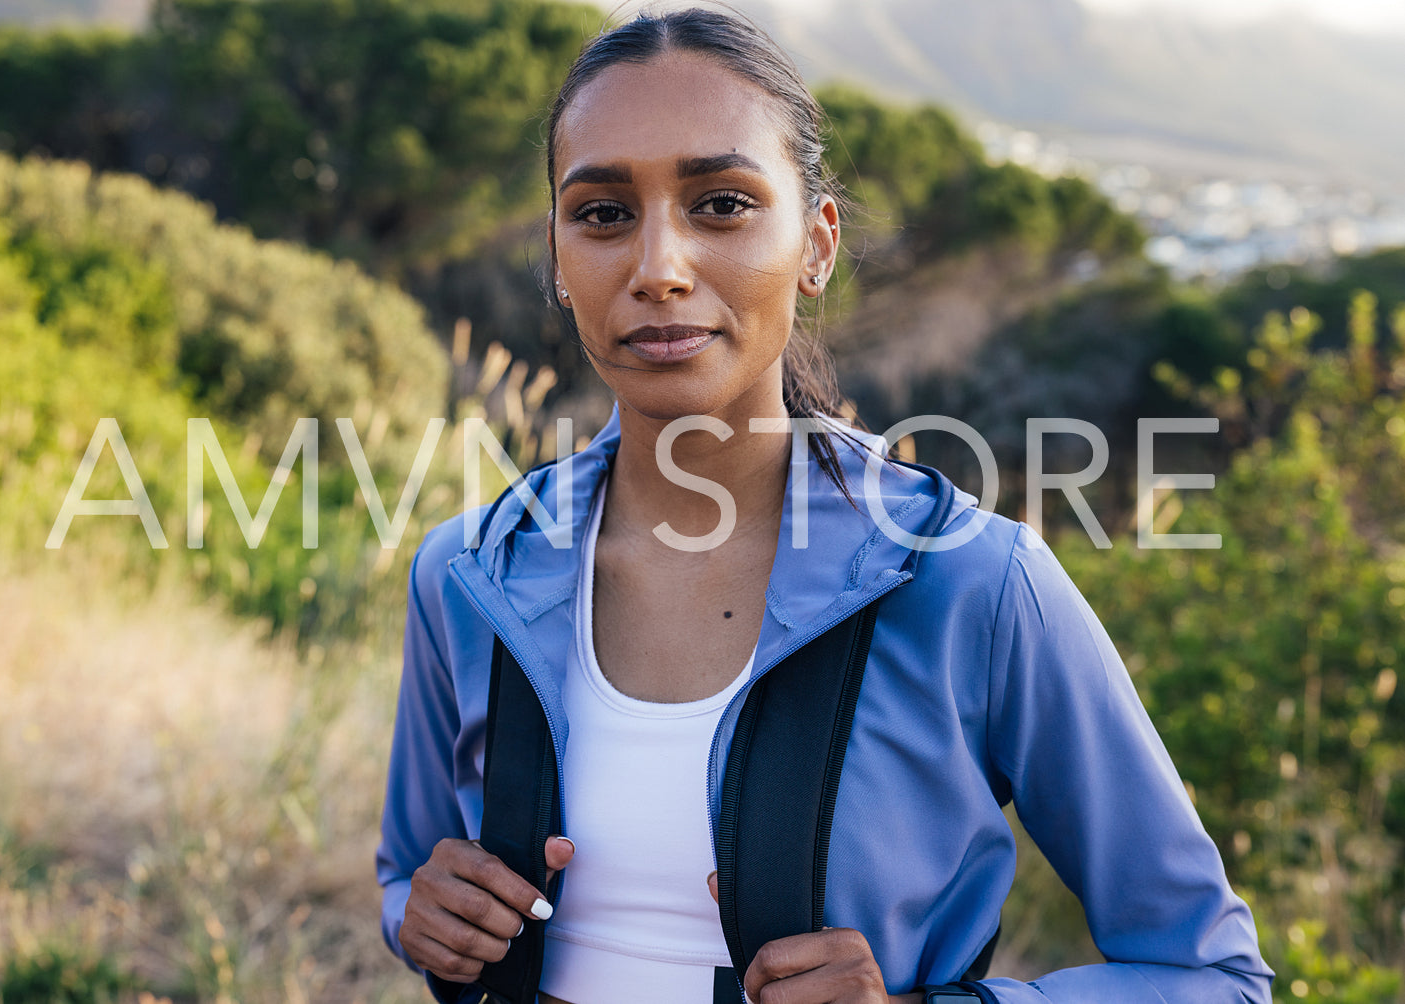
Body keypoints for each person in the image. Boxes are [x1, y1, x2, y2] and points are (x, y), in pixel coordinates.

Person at [376, 7, 1274, 1003]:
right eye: (601, 214)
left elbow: (1210, 973)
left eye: (720, 204)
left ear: (815, 241)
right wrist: (419, 914)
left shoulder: (970, 582)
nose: (657, 268)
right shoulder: (468, 572)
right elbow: (404, 873)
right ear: (556, 255)